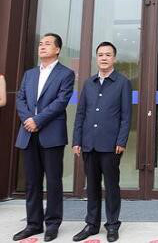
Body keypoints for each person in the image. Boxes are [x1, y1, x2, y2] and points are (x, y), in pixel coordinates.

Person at [13, 33, 75, 242]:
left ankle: (52, 224)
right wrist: (28, 120)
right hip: (28, 133)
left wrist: (37, 120)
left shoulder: (66, 74)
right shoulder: (29, 74)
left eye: (47, 44)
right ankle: (33, 224)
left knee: (54, 181)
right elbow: (20, 99)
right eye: (41, 43)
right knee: (32, 182)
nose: (42, 46)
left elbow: (61, 102)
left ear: (57, 49)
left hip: (51, 134)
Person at [71, 42, 132, 243]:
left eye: (108, 55)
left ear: (114, 58)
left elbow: (126, 116)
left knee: (112, 186)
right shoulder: (89, 83)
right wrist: (77, 140)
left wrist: (121, 140)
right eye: (100, 55)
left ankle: (112, 225)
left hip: (111, 144)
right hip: (89, 143)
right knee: (92, 186)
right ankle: (91, 224)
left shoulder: (122, 83)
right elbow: (80, 114)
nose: (104, 58)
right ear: (96, 58)